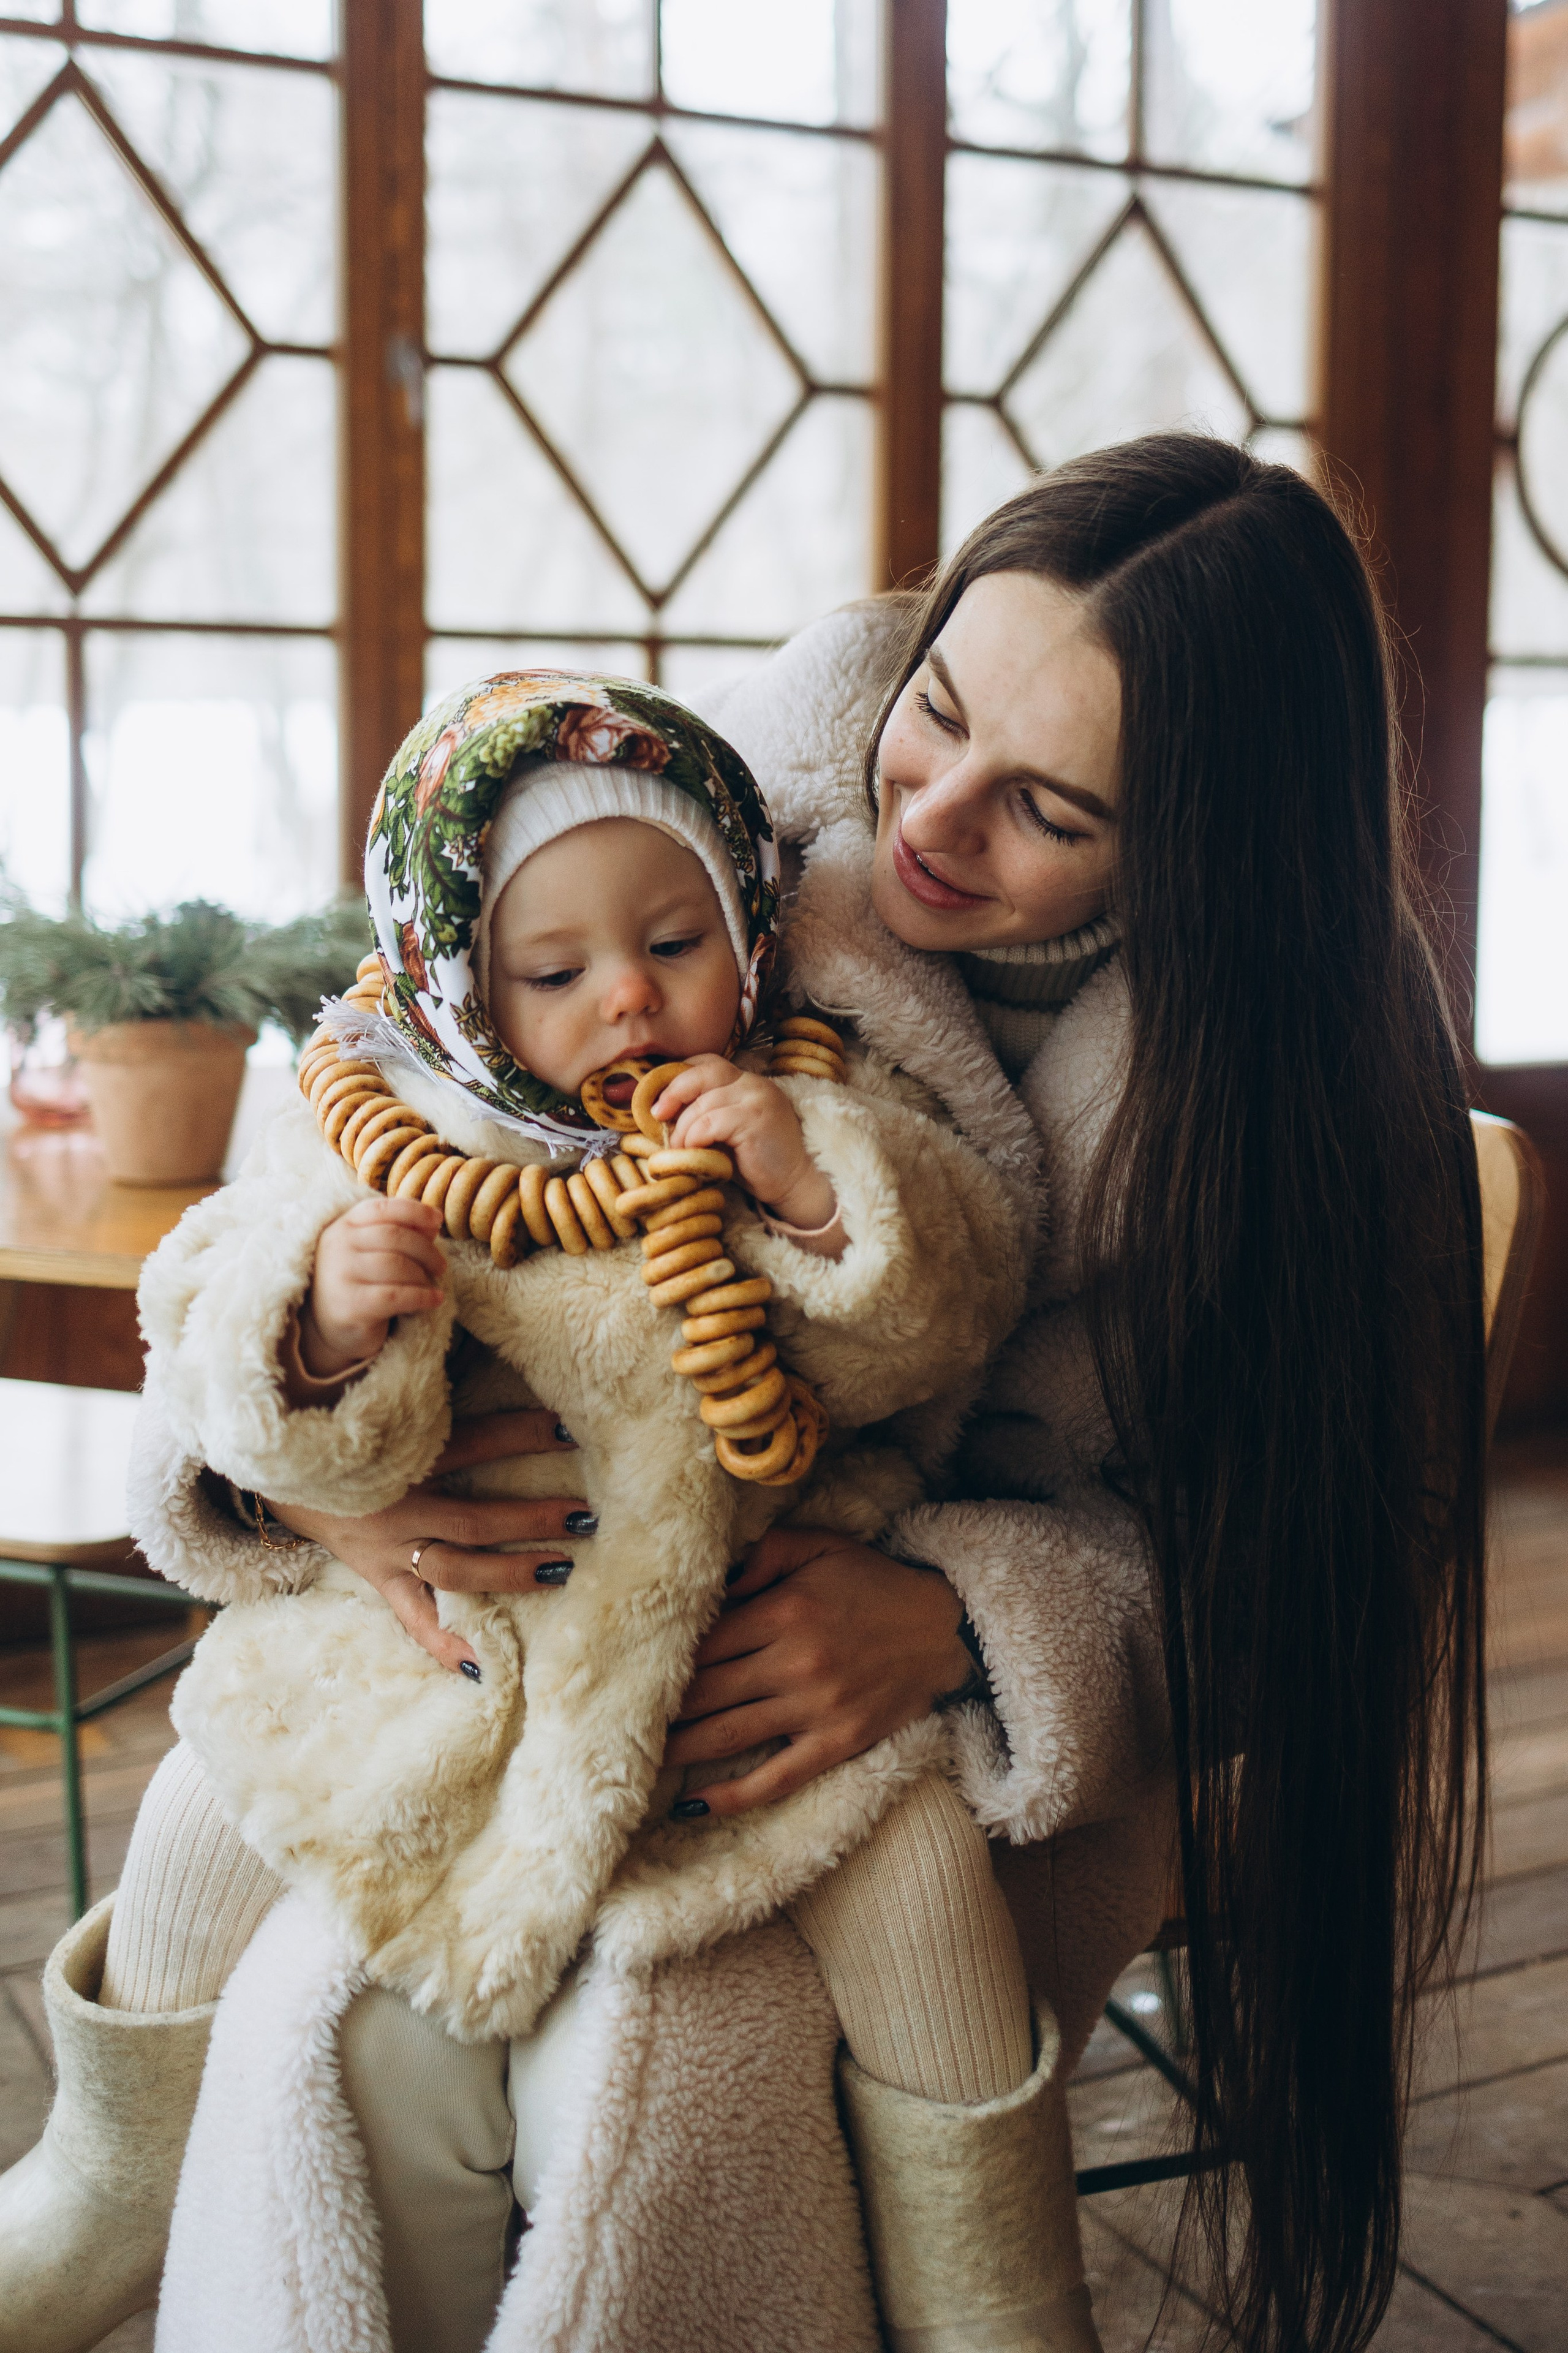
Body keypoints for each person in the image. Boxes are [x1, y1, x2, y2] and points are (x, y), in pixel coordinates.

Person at [9, 433, 1488, 2353]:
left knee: (647, 2053)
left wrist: (965, 1621)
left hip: (974, 1776)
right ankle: (123, 2196)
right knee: (343, 2007)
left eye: (1047, 806)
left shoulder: (1303, 1089)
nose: (935, 814)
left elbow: (1315, 1584)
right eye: (938, 708)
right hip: (531, 1657)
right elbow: (288, 1211)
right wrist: (313, 1483)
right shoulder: (702, 847)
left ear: (1215, 851)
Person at [2, 671, 1097, 2353]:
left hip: (725, 1673)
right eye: (558, 971)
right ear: (462, 984)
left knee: (920, 1871)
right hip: (412, 1655)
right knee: (210, 1779)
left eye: (678, 942)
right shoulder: (386, 1111)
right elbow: (203, 1304)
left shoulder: (802, 1103)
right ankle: (97, 2174)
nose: (633, 1004)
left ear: (752, 930)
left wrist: (813, 1193)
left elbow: (942, 1311)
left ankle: (1000, 2294)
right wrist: (317, 1322)